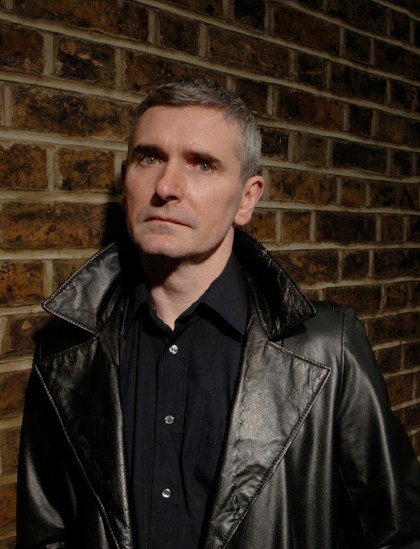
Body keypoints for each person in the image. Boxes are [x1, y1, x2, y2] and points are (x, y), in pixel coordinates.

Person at [17, 78, 420, 549]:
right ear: (126, 182)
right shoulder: (66, 346)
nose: (166, 187)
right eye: (149, 158)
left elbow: (397, 533)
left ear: (247, 199)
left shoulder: (327, 348)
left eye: (202, 164)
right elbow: (45, 536)